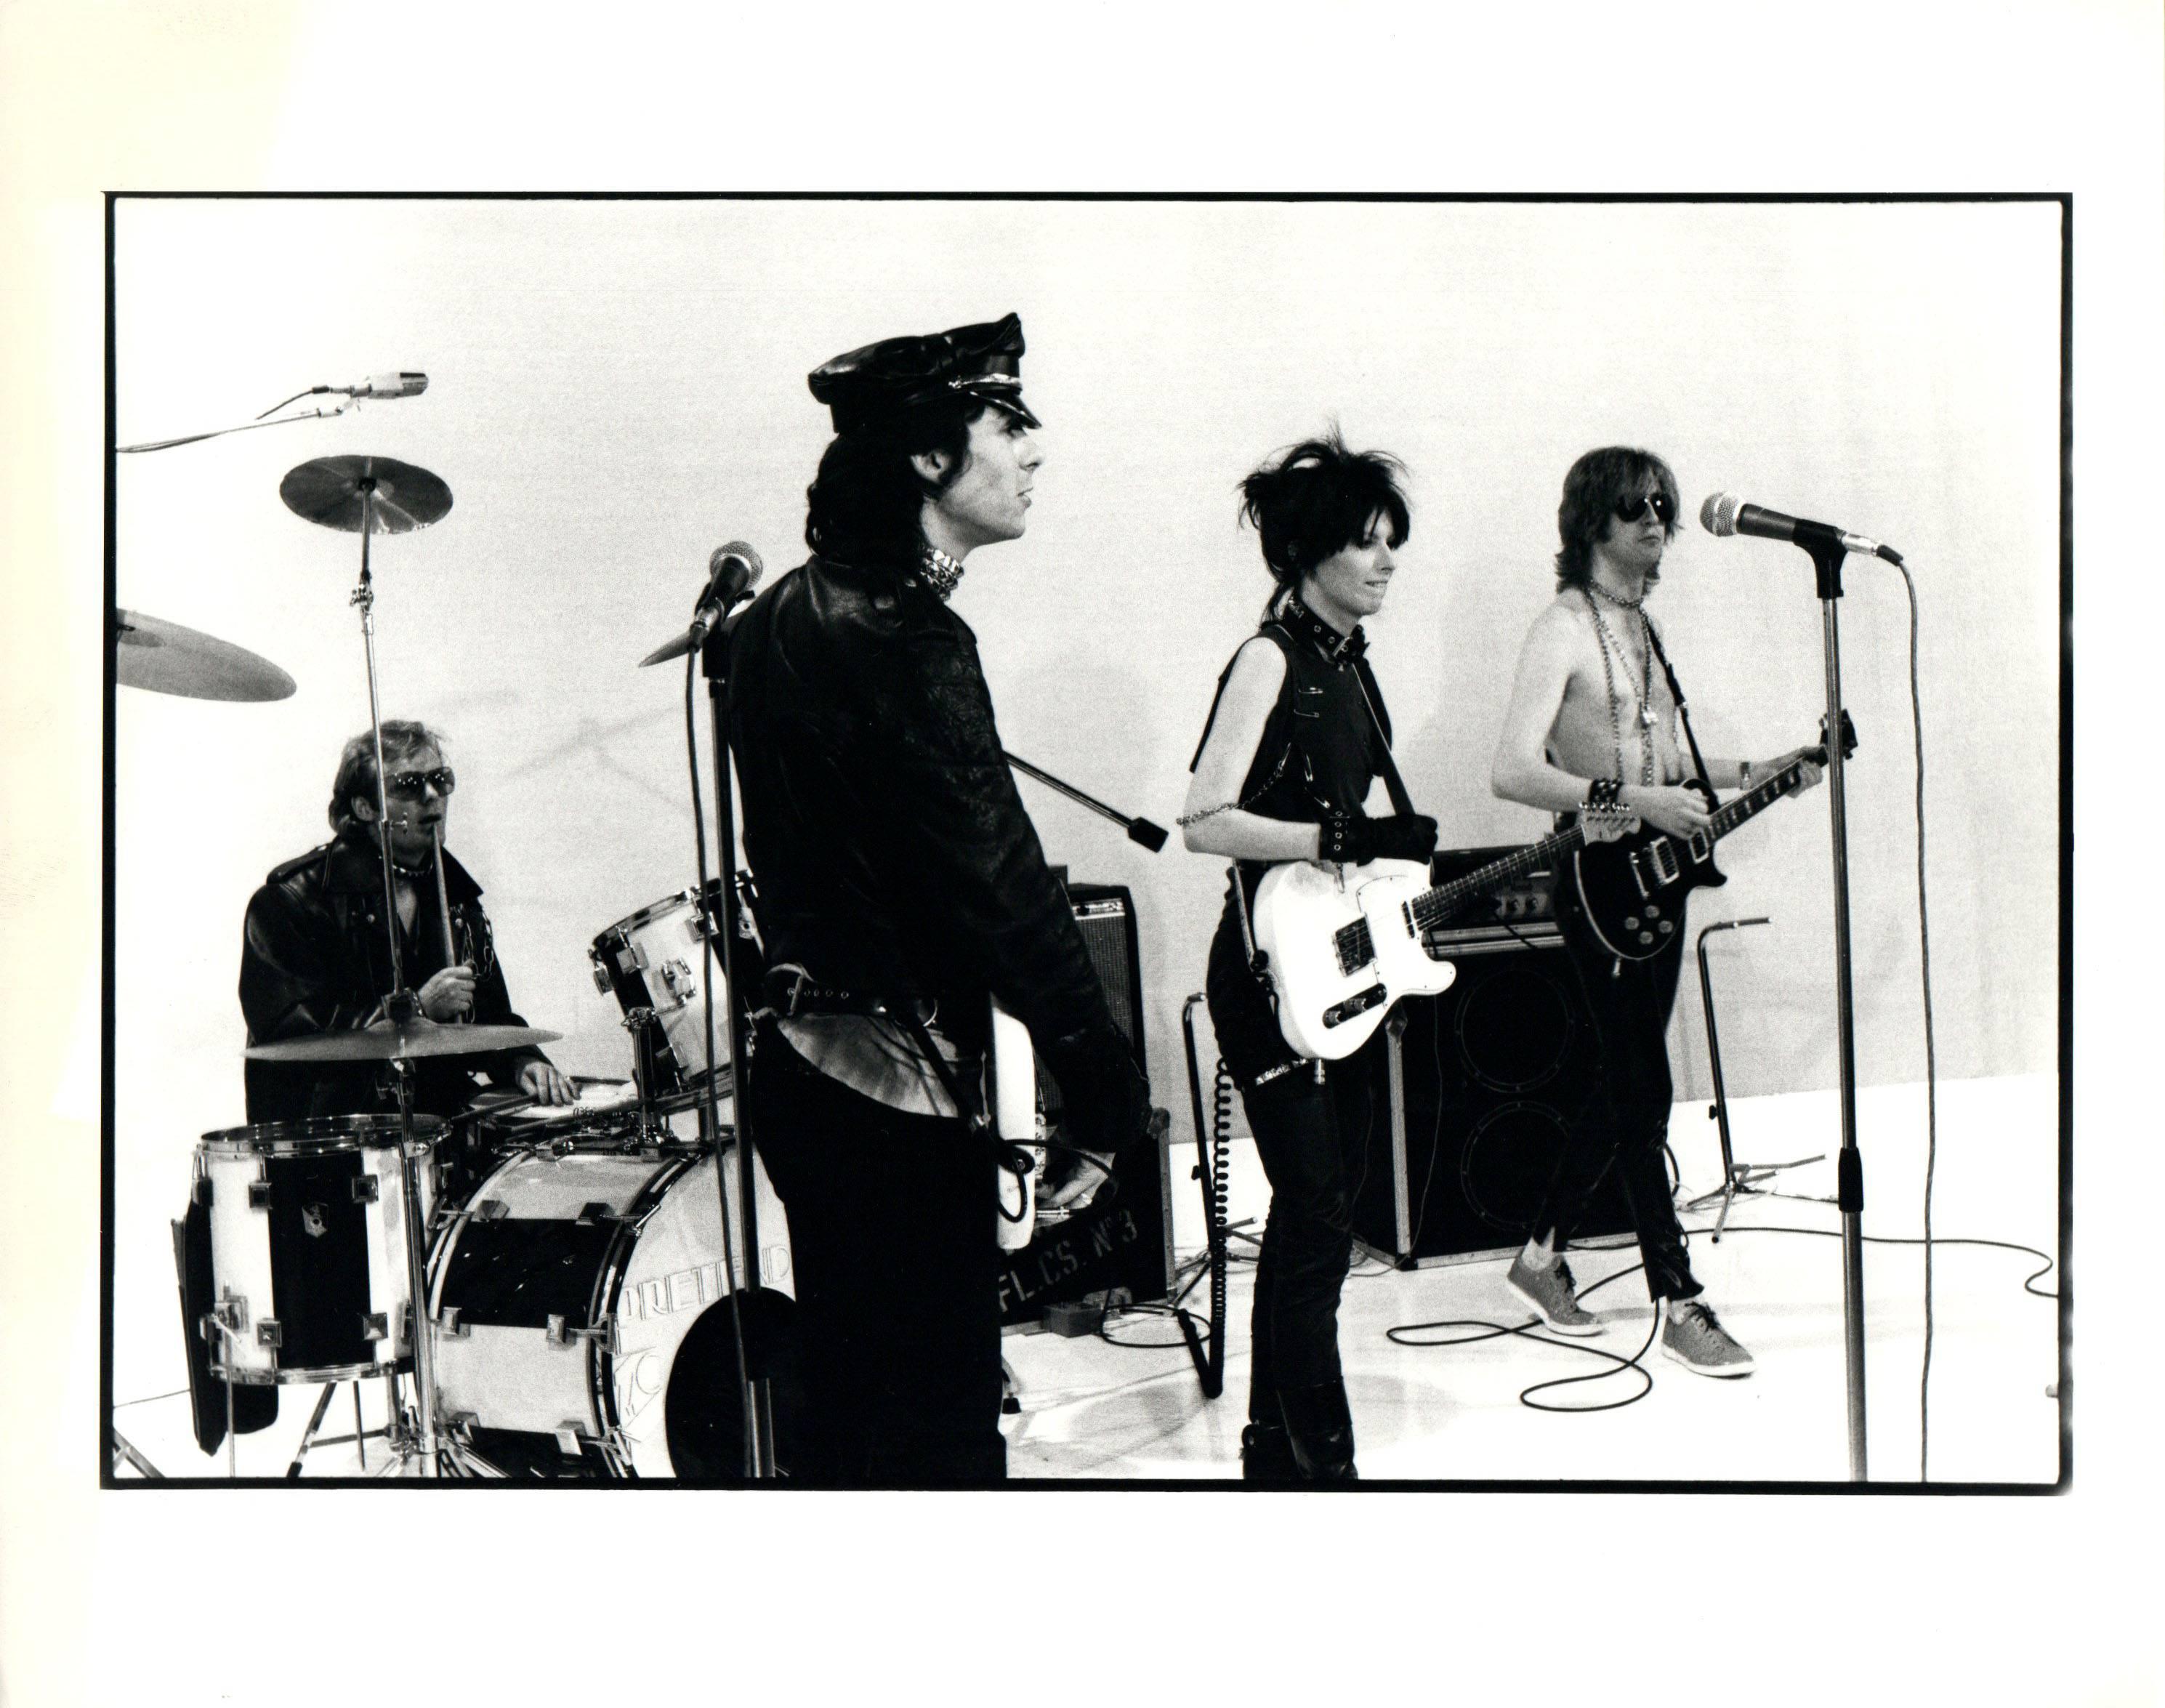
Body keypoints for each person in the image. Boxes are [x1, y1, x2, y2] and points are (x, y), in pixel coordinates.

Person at [726, 312, 1157, 1487]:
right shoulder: (912, 640)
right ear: (927, 456)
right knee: (941, 1443)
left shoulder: (765, 628)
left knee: (846, 1432)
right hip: (893, 1100)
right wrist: (1109, 1088)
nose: (1032, 451)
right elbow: (1002, 890)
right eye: (1006, 422)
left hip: (804, 1075)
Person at [1488, 447, 1821, 1377]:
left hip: (1659, 884)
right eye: (1639, 508)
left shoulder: (1644, 628)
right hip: (1599, 884)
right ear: (1593, 521)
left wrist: (1759, 774)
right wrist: (1630, 808)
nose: (1658, 524)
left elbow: (1669, 769)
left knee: (1621, 1085)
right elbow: (1513, 772)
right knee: (1643, 1091)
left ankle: (1541, 1255)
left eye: (1666, 510)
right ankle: (1678, 1298)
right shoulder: (1561, 627)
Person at [1181, 432, 1434, 1483]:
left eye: (1390, 544)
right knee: (1322, 1215)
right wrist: (1330, 840)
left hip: (1328, 972)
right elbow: (1202, 817)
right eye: (1363, 543)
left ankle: (1265, 1448)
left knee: (1312, 1214)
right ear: (1305, 553)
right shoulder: (1268, 659)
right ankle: (1323, 1462)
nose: (1383, 561)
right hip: (1258, 976)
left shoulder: (1349, 669)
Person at [239, 720, 574, 1126]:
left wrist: (522, 1060)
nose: (432, 796)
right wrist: (413, 1007)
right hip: (329, 1141)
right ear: (366, 808)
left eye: (440, 779)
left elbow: (486, 1019)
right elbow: (289, 1033)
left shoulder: (455, 895)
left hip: (435, 1129)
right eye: (409, 785)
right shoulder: (292, 900)